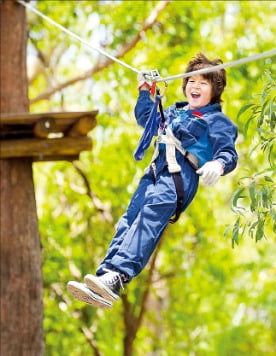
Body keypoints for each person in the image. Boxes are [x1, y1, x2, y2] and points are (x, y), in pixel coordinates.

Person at [67, 53, 238, 309]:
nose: (195, 86)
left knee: (149, 217)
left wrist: (218, 164)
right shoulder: (175, 112)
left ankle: (118, 274)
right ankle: (106, 277)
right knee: (129, 220)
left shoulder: (217, 121)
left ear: (215, 90)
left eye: (204, 83)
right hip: (156, 172)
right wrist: (145, 92)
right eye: (191, 81)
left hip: (180, 175)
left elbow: (228, 152)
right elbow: (147, 121)